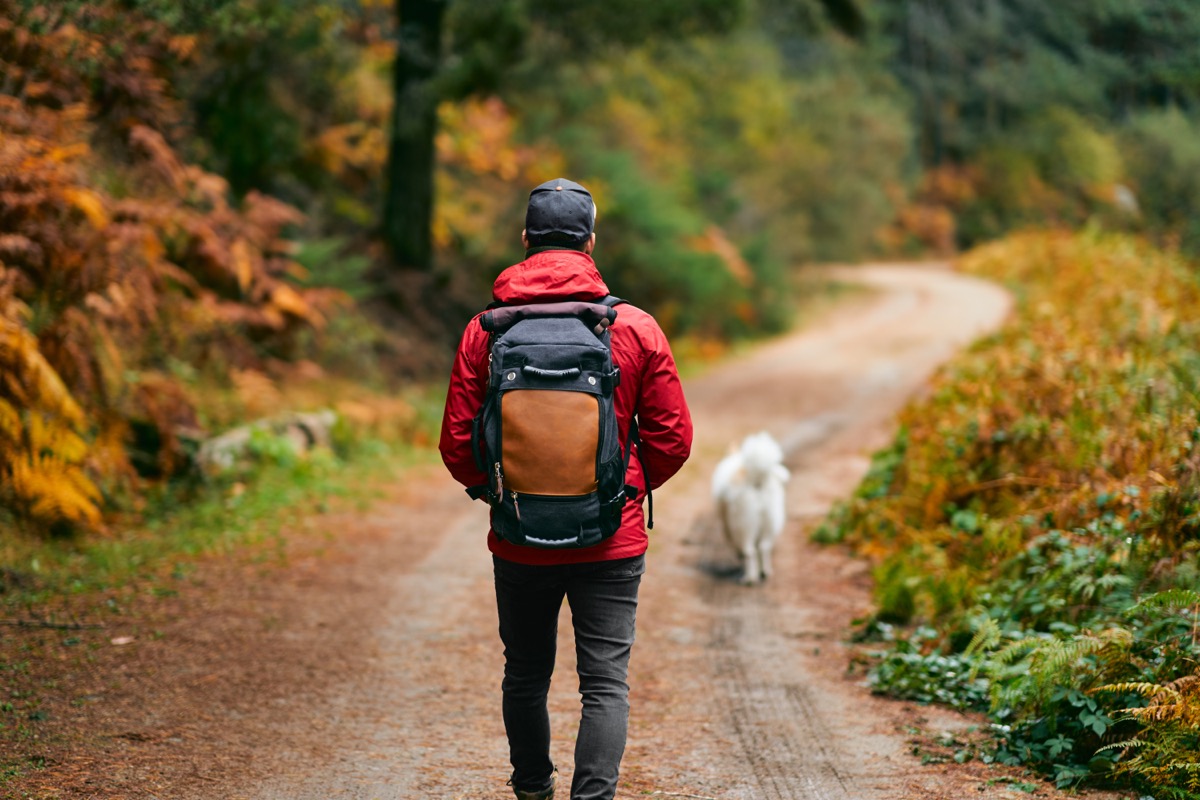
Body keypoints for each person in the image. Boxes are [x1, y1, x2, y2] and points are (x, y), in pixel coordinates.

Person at [439, 178, 693, 800]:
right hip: (612, 538)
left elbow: (455, 442)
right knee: (604, 682)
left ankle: (532, 789)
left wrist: (500, 493)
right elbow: (673, 438)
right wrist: (623, 491)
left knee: (525, 672)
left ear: (526, 240)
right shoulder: (632, 328)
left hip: (520, 537)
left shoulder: (486, 331)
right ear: (590, 241)